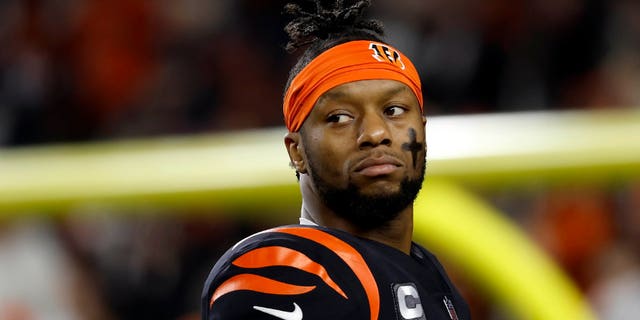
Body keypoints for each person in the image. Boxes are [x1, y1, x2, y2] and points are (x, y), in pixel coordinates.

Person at [201, 1, 471, 319]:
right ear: (296, 151)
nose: (375, 133)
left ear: (422, 131)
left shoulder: (431, 273)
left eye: (394, 110)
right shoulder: (283, 268)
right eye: (340, 117)